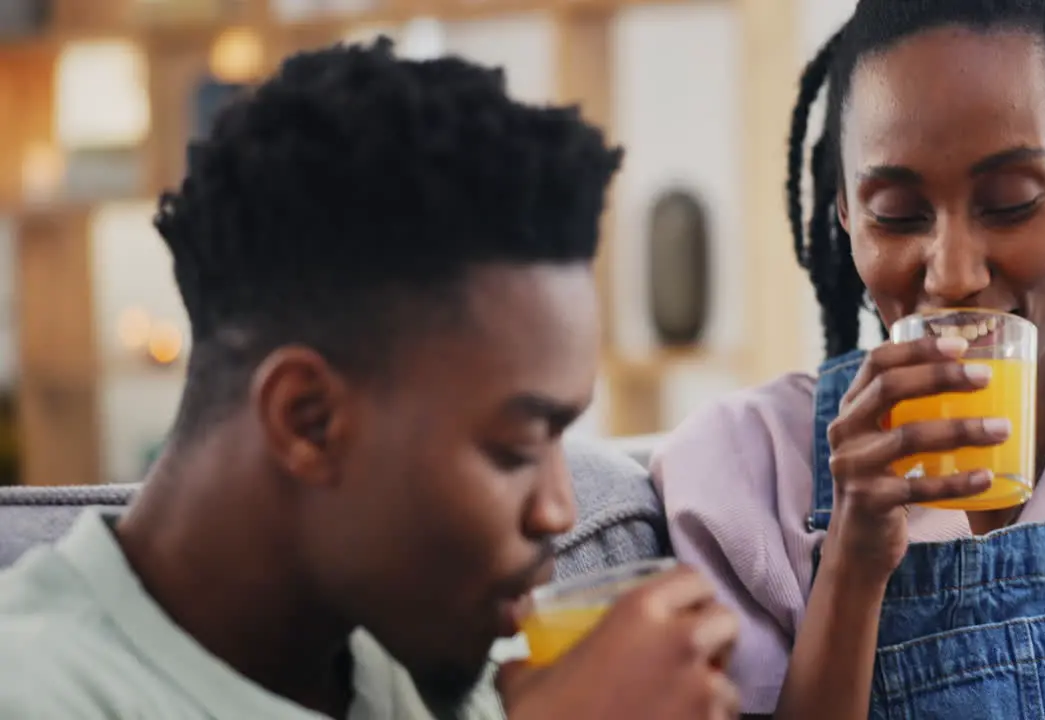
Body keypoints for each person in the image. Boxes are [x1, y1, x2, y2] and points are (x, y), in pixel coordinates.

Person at [0, 40, 741, 719]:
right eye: (517, 447)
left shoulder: (417, 649)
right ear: (308, 419)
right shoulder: (38, 690)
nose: (560, 510)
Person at [653, 1, 1045, 718]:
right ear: (847, 214)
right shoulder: (738, 472)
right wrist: (852, 565)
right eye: (896, 211)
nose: (953, 275)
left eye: (1009, 202)